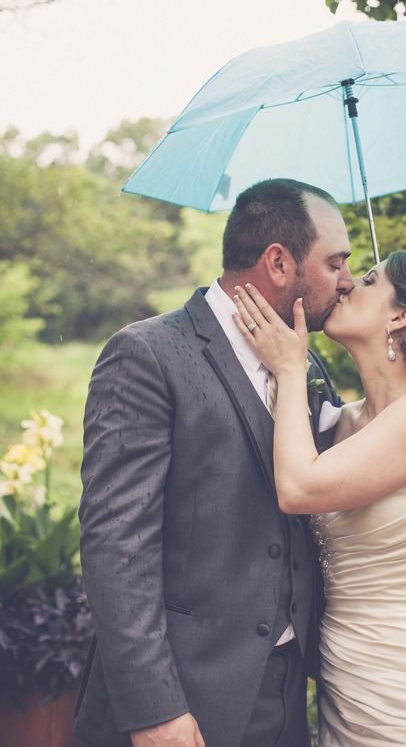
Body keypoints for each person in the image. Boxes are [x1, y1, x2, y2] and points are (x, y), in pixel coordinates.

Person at [73, 178, 354, 747]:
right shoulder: (148, 354)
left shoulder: (307, 363)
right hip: (184, 702)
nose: (347, 281)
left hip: (284, 695)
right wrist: (155, 712)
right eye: (335, 263)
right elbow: (116, 543)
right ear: (279, 262)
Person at [233, 250, 406, 747]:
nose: (344, 285)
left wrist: (290, 369)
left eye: (367, 279)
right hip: (347, 685)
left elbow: (299, 488)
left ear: (401, 315)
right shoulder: (341, 422)